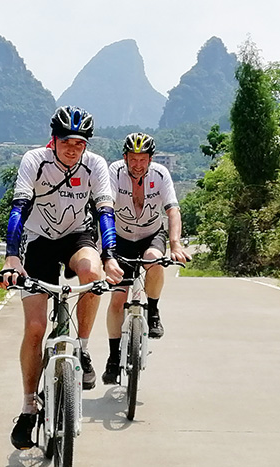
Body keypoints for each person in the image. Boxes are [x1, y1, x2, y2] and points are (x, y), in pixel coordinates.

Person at [0, 106, 123, 450]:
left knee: (91, 271)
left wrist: (110, 257)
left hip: (76, 237)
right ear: (53, 140)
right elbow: (19, 208)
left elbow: (104, 213)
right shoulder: (34, 160)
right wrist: (11, 257)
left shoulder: (95, 165)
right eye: (67, 142)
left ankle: (81, 349)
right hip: (37, 241)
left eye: (80, 144)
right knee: (36, 328)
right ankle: (27, 407)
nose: (73, 149)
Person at [102, 132, 191, 385]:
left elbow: (172, 209)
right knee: (118, 298)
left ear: (150, 159)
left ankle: (153, 311)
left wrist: (175, 244)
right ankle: (112, 356)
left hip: (151, 234)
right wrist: (105, 249)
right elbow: (105, 208)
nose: (137, 164)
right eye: (133, 158)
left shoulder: (161, 174)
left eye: (143, 159)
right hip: (121, 237)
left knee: (154, 259)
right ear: (125, 157)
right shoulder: (114, 172)